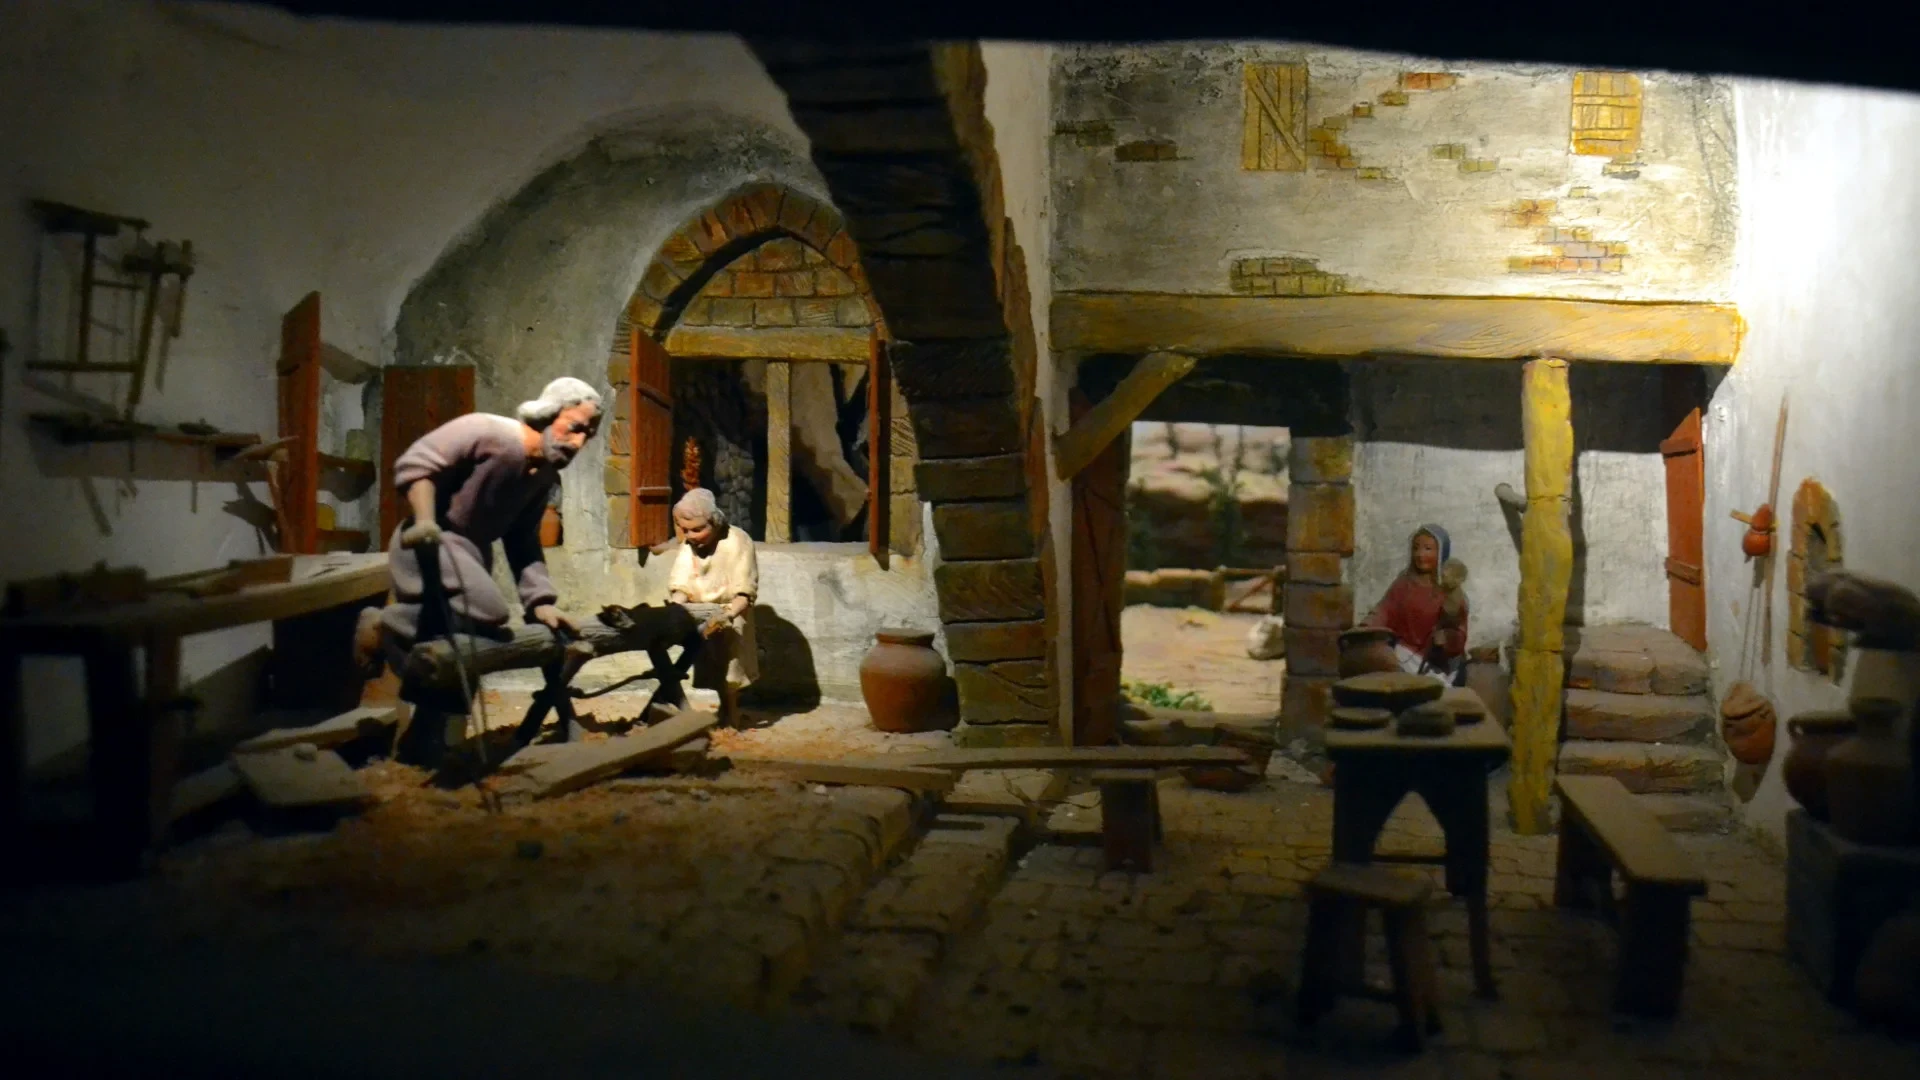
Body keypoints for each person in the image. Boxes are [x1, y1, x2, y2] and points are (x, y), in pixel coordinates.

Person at [380, 376, 602, 765]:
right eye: (575, 427)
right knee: (489, 613)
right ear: (549, 415)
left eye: (589, 435)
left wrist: (541, 602)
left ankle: (426, 741)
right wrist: (426, 520)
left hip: (469, 555)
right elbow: (416, 465)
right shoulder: (487, 431)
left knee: (464, 645)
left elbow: (523, 541)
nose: (578, 443)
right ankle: (384, 627)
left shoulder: (546, 476)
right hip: (430, 543)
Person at [665, 487, 758, 724]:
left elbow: (743, 591)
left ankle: (732, 711)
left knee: (731, 665)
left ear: (715, 522)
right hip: (699, 611)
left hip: (731, 610)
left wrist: (728, 614)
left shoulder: (737, 540)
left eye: (698, 529)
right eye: (686, 530)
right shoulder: (689, 545)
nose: (691, 536)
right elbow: (682, 583)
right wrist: (674, 608)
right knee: (708, 663)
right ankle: (721, 709)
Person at [1359, 524, 1470, 683]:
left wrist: (1446, 639)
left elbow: (1459, 631)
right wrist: (1368, 624)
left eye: (1428, 549)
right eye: (1416, 548)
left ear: (1441, 553)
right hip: (1403, 653)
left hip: (1436, 663)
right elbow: (1385, 609)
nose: (1420, 554)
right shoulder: (1404, 584)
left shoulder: (1450, 591)